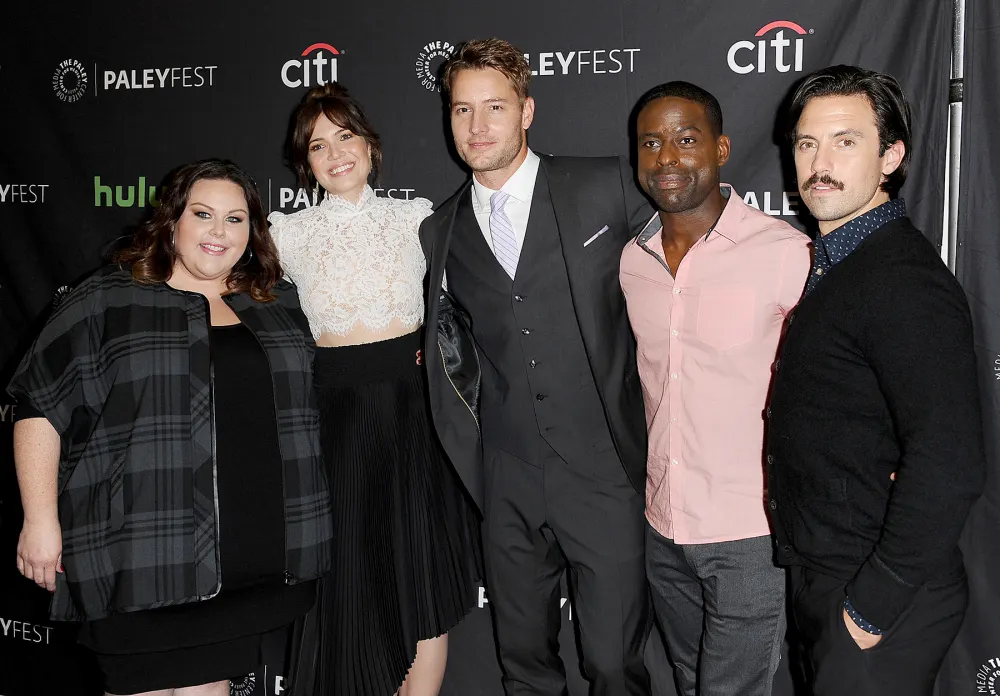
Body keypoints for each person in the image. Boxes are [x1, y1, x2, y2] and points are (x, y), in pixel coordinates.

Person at [8, 159, 333, 696]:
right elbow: (39, 405)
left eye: (235, 219)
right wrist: (39, 520)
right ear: (172, 220)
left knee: (209, 688)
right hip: (140, 555)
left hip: (243, 561)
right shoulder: (109, 298)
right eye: (203, 214)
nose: (219, 232)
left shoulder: (274, 305)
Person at [419, 38, 653, 695]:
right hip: (508, 480)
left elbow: (679, 287)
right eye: (462, 110)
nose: (477, 126)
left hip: (605, 474)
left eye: (494, 107)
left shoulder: (600, 184)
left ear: (526, 110)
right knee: (524, 665)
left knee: (612, 663)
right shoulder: (439, 232)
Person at [767, 65, 986, 696]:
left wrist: (869, 608)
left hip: (877, 593)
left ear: (891, 156)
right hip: (832, 574)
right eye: (807, 143)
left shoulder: (903, 282)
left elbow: (950, 461)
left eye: (846, 141)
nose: (819, 162)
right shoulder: (842, 262)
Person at [268, 82, 482, 696]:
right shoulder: (286, 236)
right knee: (350, 582)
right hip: (336, 419)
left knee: (422, 574)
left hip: (417, 414)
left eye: (345, 136)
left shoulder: (417, 219)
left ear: (370, 144)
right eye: (318, 145)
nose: (335, 153)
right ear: (303, 163)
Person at [620, 82, 810, 696]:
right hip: (661, 525)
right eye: (651, 143)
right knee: (685, 680)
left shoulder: (785, 252)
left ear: (721, 148)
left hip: (750, 532)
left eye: (685, 139)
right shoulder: (631, 261)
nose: (667, 157)